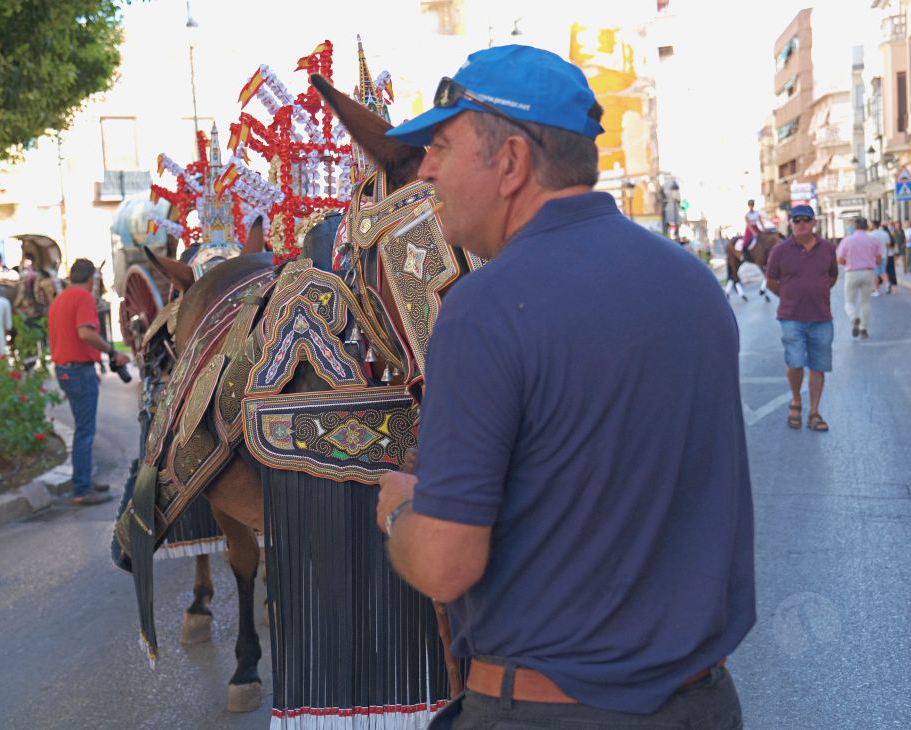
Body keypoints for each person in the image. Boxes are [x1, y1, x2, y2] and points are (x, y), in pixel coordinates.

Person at [373, 45, 754, 728]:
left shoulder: (485, 308)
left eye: (442, 144)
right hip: (702, 706)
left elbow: (444, 565)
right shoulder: (693, 284)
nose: (425, 169)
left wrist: (402, 513)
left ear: (512, 161)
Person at [47, 258, 131, 505]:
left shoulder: (60, 298)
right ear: (92, 279)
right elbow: (85, 332)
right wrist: (112, 353)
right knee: (85, 432)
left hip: (66, 369)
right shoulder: (83, 298)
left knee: (82, 430)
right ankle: (82, 489)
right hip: (77, 371)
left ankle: (83, 480)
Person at [765, 204, 837, 432]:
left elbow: (832, 276)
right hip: (791, 316)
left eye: (806, 220)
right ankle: (796, 400)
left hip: (821, 316)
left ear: (814, 223)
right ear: (791, 224)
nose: (801, 224)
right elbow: (771, 282)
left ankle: (814, 412)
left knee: (818, 366)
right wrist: (788, 297)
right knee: (794, 362)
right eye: (796, 220)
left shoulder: (827, 248)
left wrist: (819, 293)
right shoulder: (780, 250)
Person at [836, 217, 883, 339]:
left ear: (854, 227)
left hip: (852, 273)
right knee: (865, 301)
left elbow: (840, 259)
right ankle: (863, 329)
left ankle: (853, 318)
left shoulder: (847, 240)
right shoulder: (873, 240)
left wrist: (850, 262)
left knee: (849, 301)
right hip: (868, 272)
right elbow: (879, 259)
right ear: (866, 227)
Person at [870, 220, 891, 295]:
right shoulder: (885, 233)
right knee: (883, 271)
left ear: (873, 225)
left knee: (875, 274)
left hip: (875, 256)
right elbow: (888, 245)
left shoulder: (871, 234)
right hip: (884, 255)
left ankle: (876, 290)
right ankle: (887, 285)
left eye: (871, 225)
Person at [883, 221, 900, 294]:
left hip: (887, 256)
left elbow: (889, 246)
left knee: (887, 272)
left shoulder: (887, 238)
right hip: (890, 256)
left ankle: (891, 287)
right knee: (891, 272)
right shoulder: (891, 237)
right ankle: (892, 287)